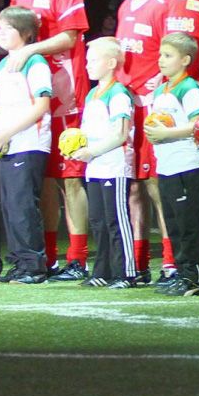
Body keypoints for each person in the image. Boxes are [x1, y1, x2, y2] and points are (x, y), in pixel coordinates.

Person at [8, 0, 90, 282]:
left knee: (70, 178)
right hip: (33, 94)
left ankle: (78, 257)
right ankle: (49, 256)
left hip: (66, 92)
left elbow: (71, 37)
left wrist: (30, 49)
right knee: (44, 179)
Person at [115, 0, 173, 284]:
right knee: (133, 186)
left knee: (155, 185)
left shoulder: (161, 7)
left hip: (151, 106)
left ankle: (169, 261)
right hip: (127, 105)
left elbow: (173, 53)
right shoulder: (125, 7)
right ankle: (137, 262)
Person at [0, 6, 53, 285]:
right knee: (11, 206)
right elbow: (2, 106)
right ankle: (18, 263)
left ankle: (34, 266)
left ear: (25, 34)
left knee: (24, 205)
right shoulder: (3, 64)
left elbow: (41, 105)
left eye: (6, 29)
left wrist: (8, 132)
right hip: (6, 143)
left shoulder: (35, 62)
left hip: (29, 142)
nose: (0, 34)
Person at [143, 32, 199, 296]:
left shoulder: (190, 88)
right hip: (168, 165)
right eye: (160, 54)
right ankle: (182, 272)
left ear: (185, 60)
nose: (161, 60)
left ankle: (194, 274)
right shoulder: (161, 90)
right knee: (173, 221)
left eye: (168, 55)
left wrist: (166, 134)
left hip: (189, 164)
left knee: (189, 223)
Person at [68, 37, 136, 288]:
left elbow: (120, 134)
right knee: (98, 220)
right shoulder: (92, 94)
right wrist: (77, 147)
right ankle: (103, 271)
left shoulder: (118, 93)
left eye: (93, 60)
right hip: (95, 166)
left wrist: (91, 151)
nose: (87, 65)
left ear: (110, 63)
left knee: (116, 220)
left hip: (114, 166)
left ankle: (125, 273)